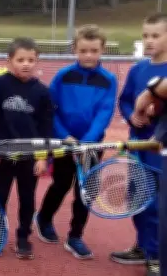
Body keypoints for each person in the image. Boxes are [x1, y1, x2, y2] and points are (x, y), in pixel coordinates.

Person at [34, 25, 117, 260]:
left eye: (94, 50)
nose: (89, 55)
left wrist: (87, 142)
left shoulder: (108, 80)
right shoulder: (62, 76)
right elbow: (52, 109)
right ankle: (43, 218)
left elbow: (105, 111)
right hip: (64, 141)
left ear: (102, 50)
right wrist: (65, 136)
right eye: (83, 50)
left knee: (86, 190)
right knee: (60, 184)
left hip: (91, 145)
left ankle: (75, 236)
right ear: (75, 50)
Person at [0, 37, 53, 259]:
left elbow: (45, 128)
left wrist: (42, 157)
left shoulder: (42, 92)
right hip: (4, 155)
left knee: (27, 198)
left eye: (31, 60)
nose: (26, 64)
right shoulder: (0, 84)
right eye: (21, 59)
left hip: (29, 156)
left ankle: (23, 236)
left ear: (37, 62)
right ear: (10, 61)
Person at [115, 13, 167, 276]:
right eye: (145, 35)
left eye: (156, 35)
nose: (149, 40)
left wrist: (155, 114)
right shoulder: (138, 70)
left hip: (158, 148)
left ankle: (156, 256)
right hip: (136, 144)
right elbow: (124, 101)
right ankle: (142, 245)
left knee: (156, 203)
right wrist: (131, 116)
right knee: (136, 198)